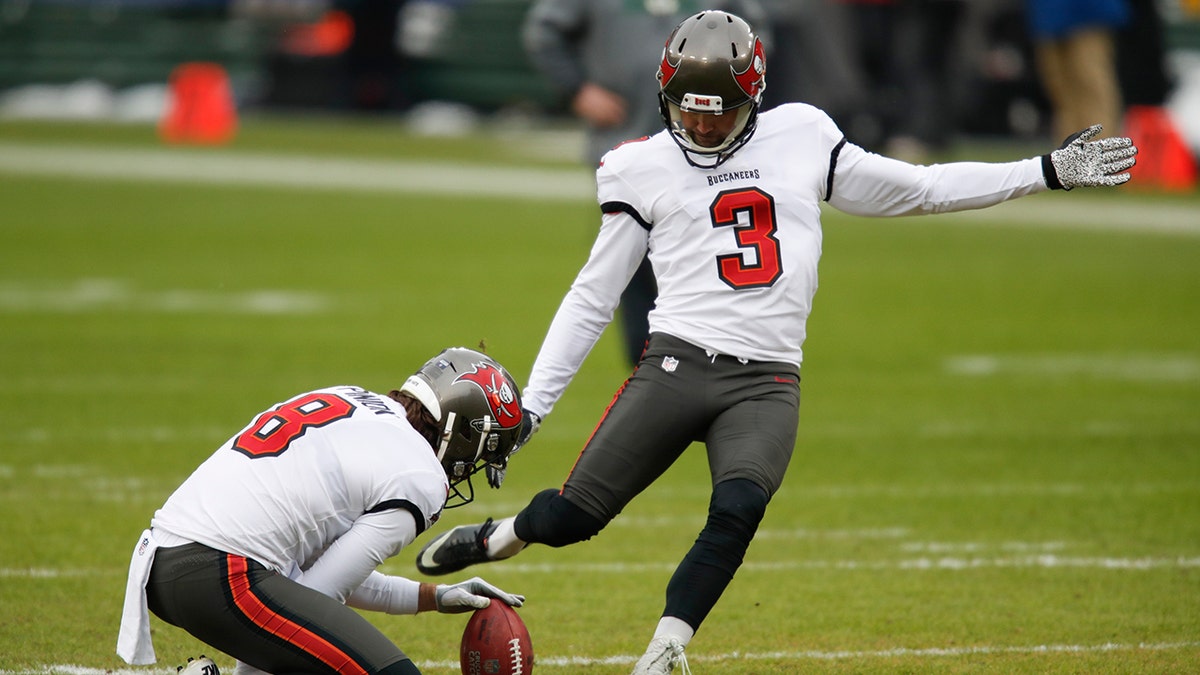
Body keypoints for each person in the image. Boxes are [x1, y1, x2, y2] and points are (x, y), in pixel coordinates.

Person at [416, 11, 1138, 675]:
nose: (700, 131)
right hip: (675, 364)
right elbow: (592, 296)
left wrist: (1042, 171)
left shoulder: (801, 135)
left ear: (753, 97)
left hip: (765, 381)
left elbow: (920, 186)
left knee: (737, 509)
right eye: (688, 115)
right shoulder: (641, 166)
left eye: (719, 114)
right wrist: (535, 406)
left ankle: (667, 646)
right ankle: (498, 537)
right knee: (576, 517)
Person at [117, 347, 528, 675]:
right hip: (223, 573)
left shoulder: (350, 398)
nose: (469, 467)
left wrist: (434, 597)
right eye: (479, 454)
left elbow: (314, 587)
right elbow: (320, 594)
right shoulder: (421, 476)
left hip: (164, 561)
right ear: (458, 432)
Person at [521, 0, 768, 367]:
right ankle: (651, 375)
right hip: (625, 137)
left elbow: (757, 39)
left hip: (712, 149)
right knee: (628, 270)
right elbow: (543, 31)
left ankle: (718, 367)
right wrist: (578, 89)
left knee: (707, 269)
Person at [1025, 0, 1130, 141]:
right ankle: (1069, 154)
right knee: (1060, 92)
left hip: (1089, 13)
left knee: (1091, 85)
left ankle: (1100, 151)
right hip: (1048, 13)